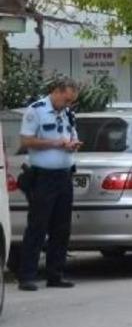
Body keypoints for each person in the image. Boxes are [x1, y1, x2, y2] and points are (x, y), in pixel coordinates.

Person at [17, 78, 82, 291]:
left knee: (61, 228)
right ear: (56, 91)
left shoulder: (68, 114)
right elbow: (26, 141)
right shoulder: (36, 111)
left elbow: (72, 137)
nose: (68, 104)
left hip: (64, 176)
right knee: (37, 226)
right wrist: (55, 143)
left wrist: (72, 146)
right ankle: (27, 275)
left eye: (71, 101)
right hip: (42, 177)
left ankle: (55, 274)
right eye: (66, 99)